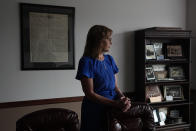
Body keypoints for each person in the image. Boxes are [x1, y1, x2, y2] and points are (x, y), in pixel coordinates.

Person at [76, 25, 131, 131]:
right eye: (109, 39)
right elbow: (90, 93)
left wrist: (124, 99)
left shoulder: (110, 59)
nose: (111, 43)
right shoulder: (86, 62)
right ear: (99, 41)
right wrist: (115, 104)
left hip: (113, 108)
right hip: (95, 109)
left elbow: (115, 86)